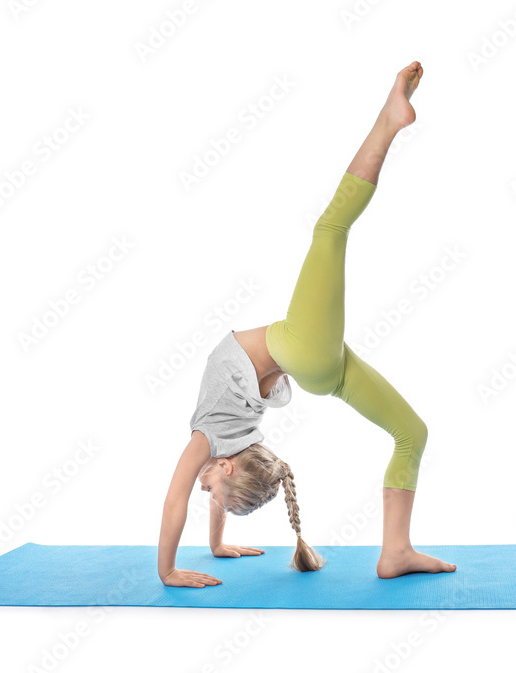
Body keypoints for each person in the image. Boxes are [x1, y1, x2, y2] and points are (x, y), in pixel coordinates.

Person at [158, 61, 456, 588]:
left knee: (412, 434)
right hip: (302, 350)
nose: (205, 490)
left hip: (320, 367)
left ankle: (397, 552)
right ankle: (388, 120)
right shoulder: (210, 441)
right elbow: (176, 495)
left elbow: (211, 488)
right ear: (228, 467)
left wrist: (216, 544)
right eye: (217, 492)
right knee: (330, 228)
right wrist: (168, 571)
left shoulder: (228, 445)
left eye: (213, 497)